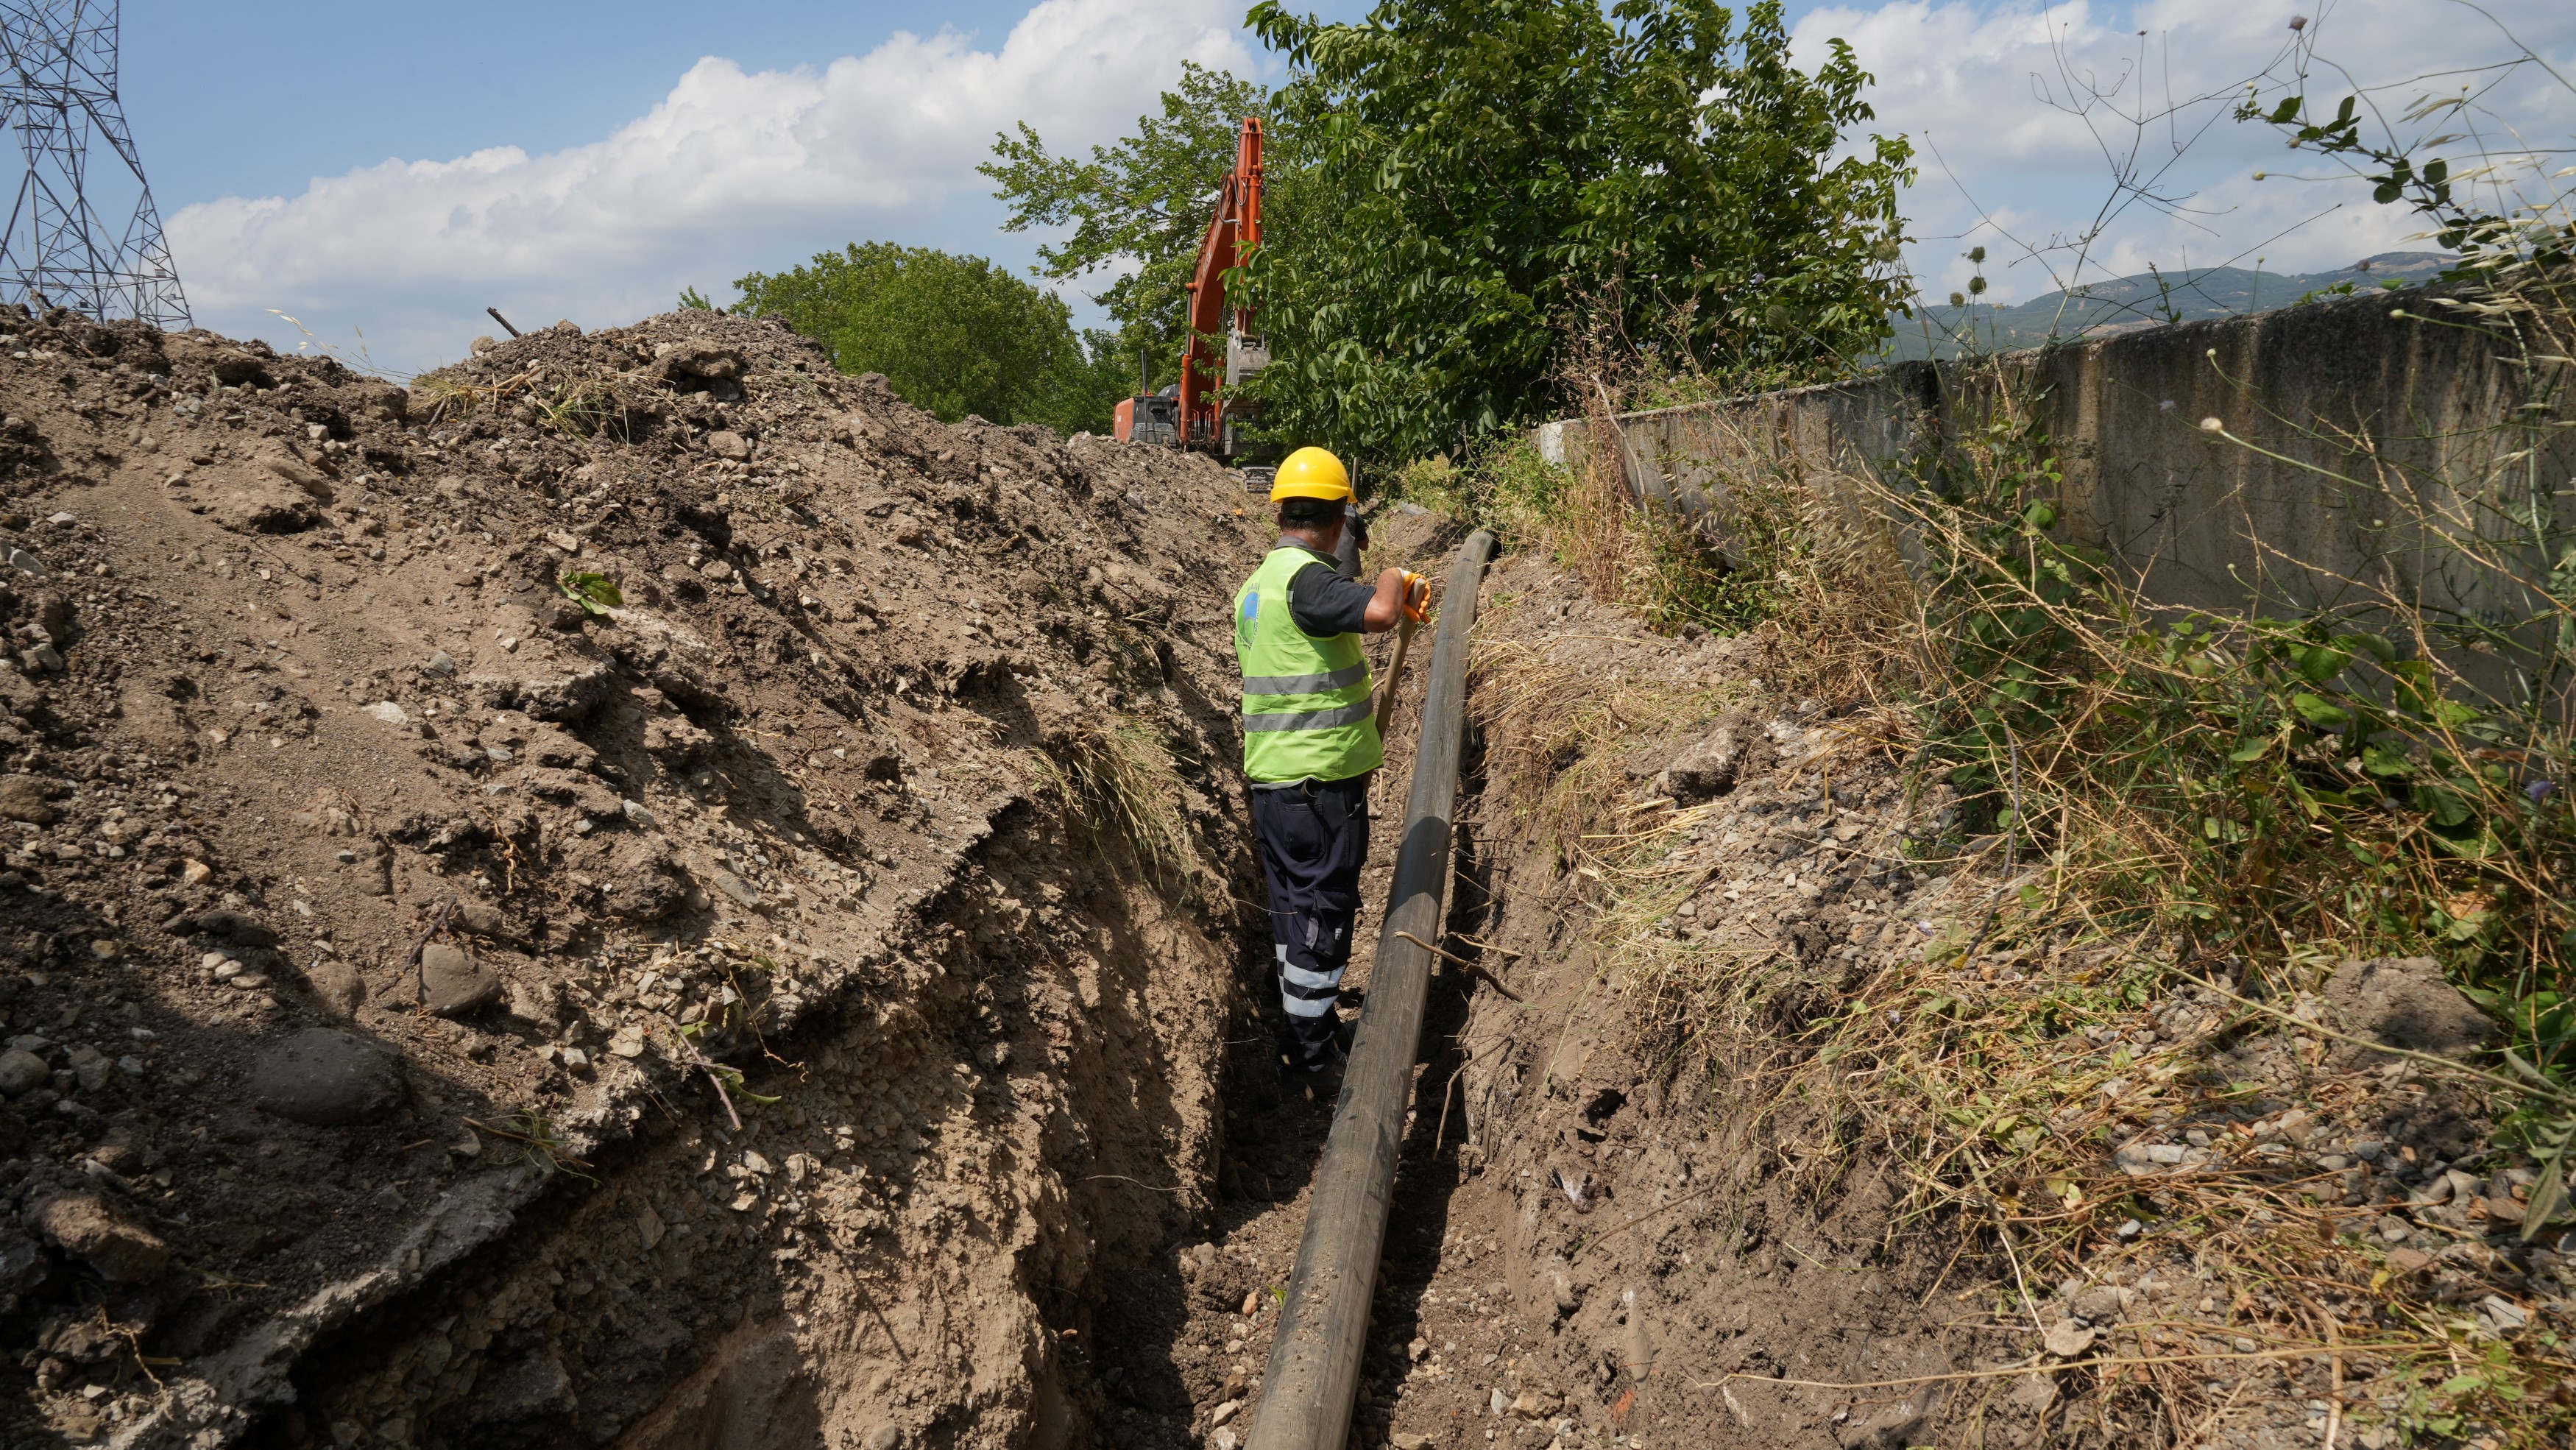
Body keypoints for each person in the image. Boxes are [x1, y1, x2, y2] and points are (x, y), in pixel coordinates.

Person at [1232, 445, 1428, 1097]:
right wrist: (1397, 580)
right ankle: (1314, 1058)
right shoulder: (1307, 581)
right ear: (1341, 518)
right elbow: (1376, 612)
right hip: (1319, 791)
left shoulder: (1255, 589)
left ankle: (1301, 1031)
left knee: (1295, 916)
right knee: (1324, 918)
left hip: (1277, 785)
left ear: (1281, 511)